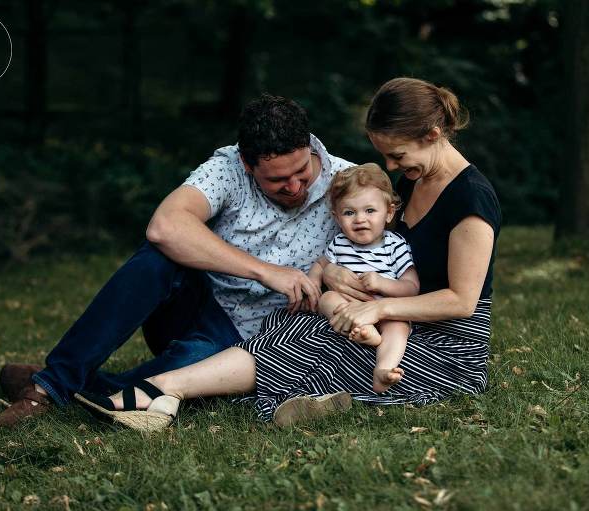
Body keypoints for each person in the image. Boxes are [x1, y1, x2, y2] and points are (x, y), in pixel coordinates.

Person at [73, 76, 502, 431]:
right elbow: (374, 248)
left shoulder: (470, 200)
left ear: (432, 135)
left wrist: (380, 309)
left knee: (318, 342)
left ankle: (163, 390)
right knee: (297, 323)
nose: (390, 167)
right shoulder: (412, 181)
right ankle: (164, 391)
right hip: (393, 312)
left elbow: (461, 301)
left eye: (397, 155)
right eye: (385, 155)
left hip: (443, 342)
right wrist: (335, 276)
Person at [0, 94, 355, 428]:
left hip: (252, 339)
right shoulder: (227, 168)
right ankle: (49, 388)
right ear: (247, 163)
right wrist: (265, 272)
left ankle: (65, 384)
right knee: (157, 260)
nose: (294, 187)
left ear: (309, 149)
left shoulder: (348, 182)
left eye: (301, 174)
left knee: (170, 380)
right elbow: (165, 226)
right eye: (278, 180)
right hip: (199, 303)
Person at [308, 163, 419, 393]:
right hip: (350, 307)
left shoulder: (394, 245)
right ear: (337, 217)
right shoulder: (339, 244)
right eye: (349, 212)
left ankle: (384, 369)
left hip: (386, 309)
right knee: (328, 299)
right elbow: (321, 264)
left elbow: (412, 287)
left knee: (398, 326)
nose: (360, 219)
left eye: (370, 211)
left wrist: (382, 283)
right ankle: (365, 331)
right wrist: (312, 283)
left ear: (389, 213)